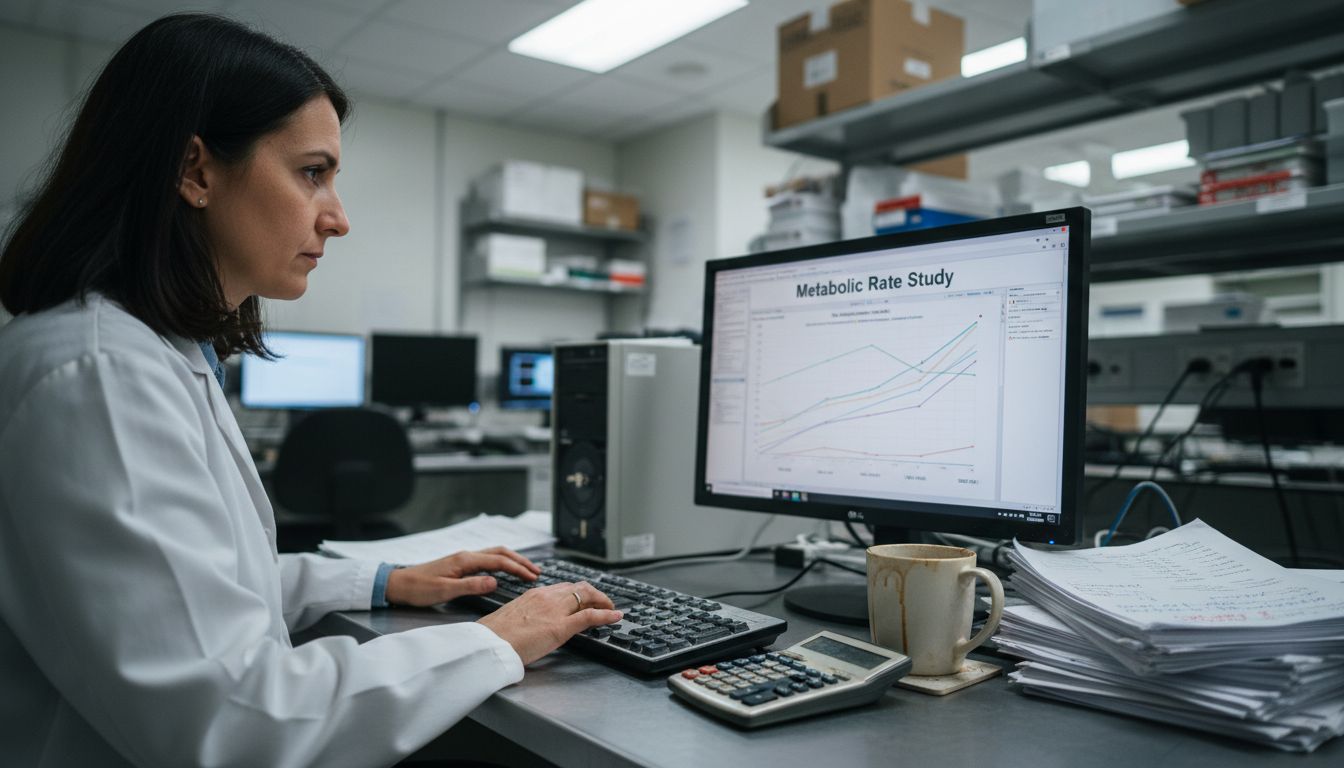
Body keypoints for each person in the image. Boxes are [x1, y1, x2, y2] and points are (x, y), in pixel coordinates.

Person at [0, 13, 621, 768]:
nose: (339, 217)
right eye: (311, 172)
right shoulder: (100, 375)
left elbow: (205, 585)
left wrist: (387, 577)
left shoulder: (154, 354)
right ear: (195, 171)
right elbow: (229, 720)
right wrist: (494, 639)